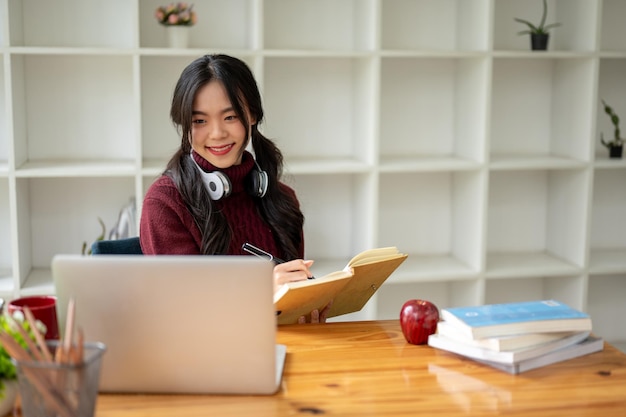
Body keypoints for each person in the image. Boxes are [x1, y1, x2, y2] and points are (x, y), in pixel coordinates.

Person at [139, 54, 328, 323]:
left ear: (251, 114)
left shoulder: (282, 199)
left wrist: (307, 305)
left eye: (230, 117)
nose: (217, 133)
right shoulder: (165, 203)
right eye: (199, 121)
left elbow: (285, 304)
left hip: (281, 349)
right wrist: (259, 293)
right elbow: (180, 315)